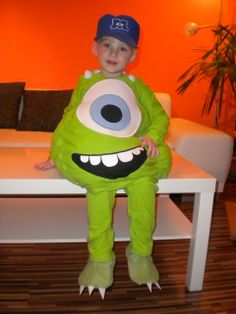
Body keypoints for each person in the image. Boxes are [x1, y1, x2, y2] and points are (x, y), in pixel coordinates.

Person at [35, 14, 171, 299]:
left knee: (145, 200)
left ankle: (141, 253)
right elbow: (69, 118)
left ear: (133, 55)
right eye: (107, 44)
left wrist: (153, 137)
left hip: (134, 156)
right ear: (94, 48)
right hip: (96, 161)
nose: (113, 53)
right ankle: (99, 259)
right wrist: (55, 153)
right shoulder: (85, 82)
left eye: (123, 48)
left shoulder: (138, 86)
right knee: (97, 205)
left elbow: (158, 116)